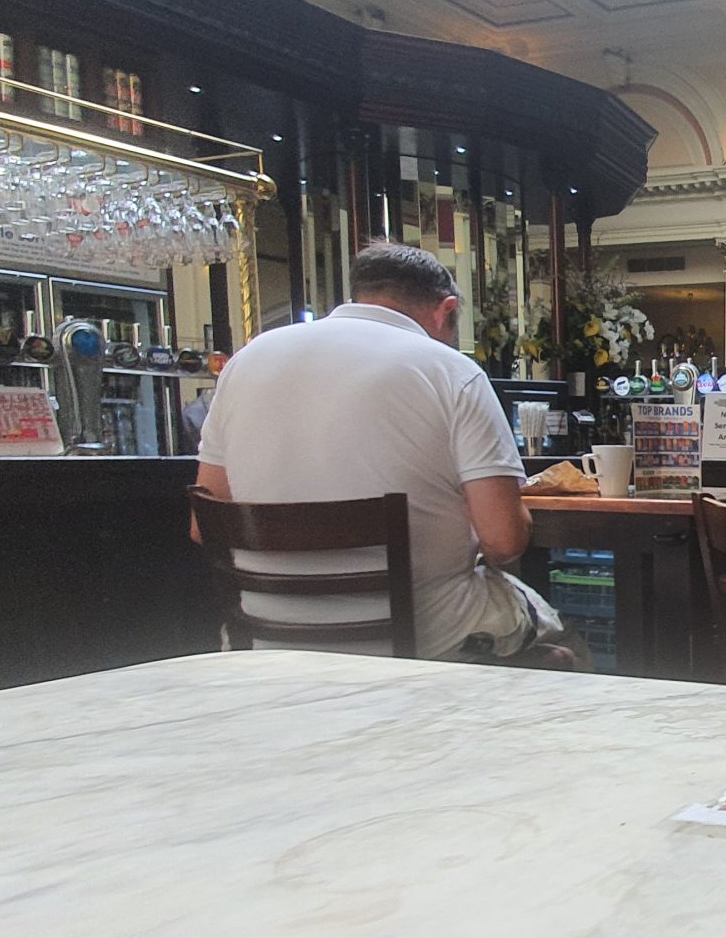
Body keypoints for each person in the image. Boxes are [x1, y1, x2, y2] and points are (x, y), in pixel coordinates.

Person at [192, 242, 577, 666]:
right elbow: (504, 542)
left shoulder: (245, 362)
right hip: (424, 638)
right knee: (564, 638)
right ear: (446, 311)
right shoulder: (452, 371)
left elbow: (202, 524)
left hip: (267, 638)